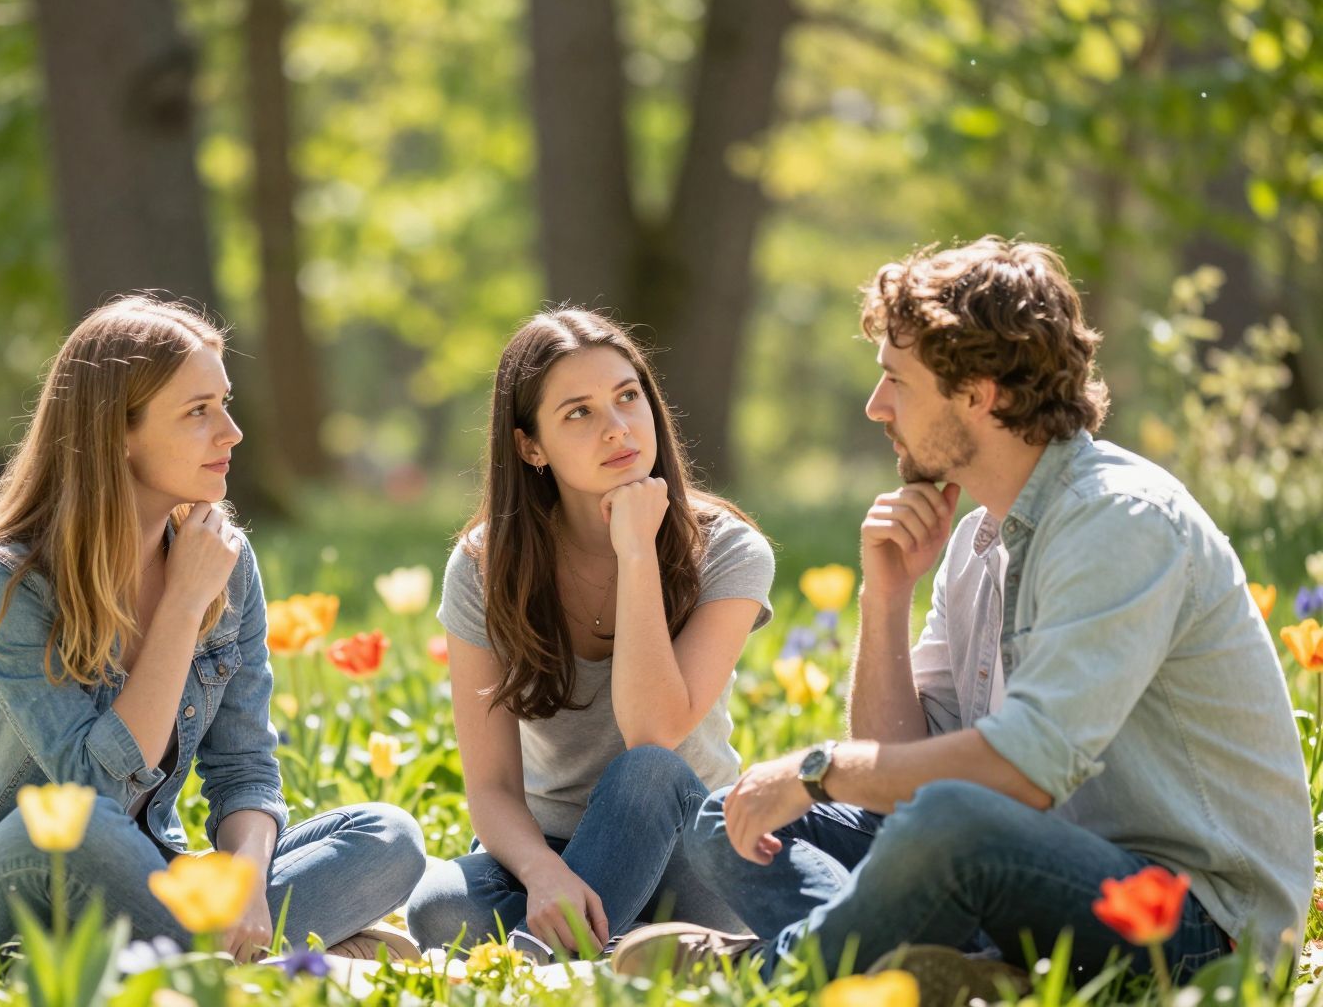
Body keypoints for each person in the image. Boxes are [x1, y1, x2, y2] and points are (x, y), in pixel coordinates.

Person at [613, 237, 1313, 998]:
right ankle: (965, 975)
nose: (876, 406)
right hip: (1032, 880)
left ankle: (759, 973)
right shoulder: (979, 540)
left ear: (980, 393)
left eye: (896, 381)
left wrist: (814, 770)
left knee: (943, 819)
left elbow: (1022, 773)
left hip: (1197, 932)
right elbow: (899, 769)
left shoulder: (1119, 522)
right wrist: (884, 599)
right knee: (732, 820)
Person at [0, 296, 425, 961]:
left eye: (225, 403)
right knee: (70, 825)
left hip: (139, 881)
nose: (231, 432)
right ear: (117, 432)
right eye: (199, 411)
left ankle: (184, 956)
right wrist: (180, 607)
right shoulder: (5, 575)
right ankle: (221, 965)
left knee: (387, 837)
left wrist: (247, 887)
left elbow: (245, 769)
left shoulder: (221, 560)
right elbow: (94, 792)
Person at [404, 308, 775, 961]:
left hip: (692, 852)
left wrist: (636, 555)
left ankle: (536, 971)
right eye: (579, 412)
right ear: (530, 446)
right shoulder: (485, 567)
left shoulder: (726, 549)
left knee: (650, 772)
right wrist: (547, 876)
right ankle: (631, 953)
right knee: (440, 907)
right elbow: (490, 786)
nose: (618, 428)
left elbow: (653, 731)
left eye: (628, 397)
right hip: (553, 850)